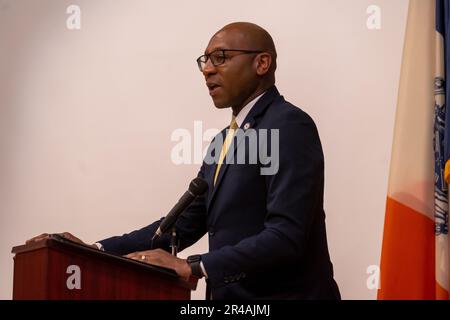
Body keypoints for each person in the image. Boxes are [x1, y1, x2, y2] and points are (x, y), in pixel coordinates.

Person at [28, 22, 341, 300]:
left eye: (221, 57)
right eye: (205, 61)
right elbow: (179, 227)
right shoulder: (224, 140)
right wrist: (93, 250)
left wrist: (195, 265)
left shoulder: (288, 126)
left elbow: (286, 236)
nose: (207, 69)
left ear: (262, 62)